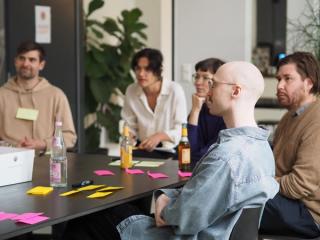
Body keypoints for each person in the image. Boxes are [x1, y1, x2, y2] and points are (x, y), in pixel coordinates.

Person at [62, 61, 279, 240]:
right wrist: (167, 197)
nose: (206, 90)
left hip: (186, 235)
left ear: (236, 91)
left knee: (87, 218)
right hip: (209, 229)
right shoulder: (262, 148)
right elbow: (203, 196)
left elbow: (184, 218)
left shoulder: (227, 158)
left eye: (213, 83)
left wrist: (164, 204)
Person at [260, 52, 320, 238]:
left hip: (308, 213)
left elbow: (299, 185)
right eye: (279, 79)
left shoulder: (316, 120)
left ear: (308, 83)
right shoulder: (289, 116)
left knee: (238, 201)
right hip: (285, 201)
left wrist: (261, 183)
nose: (279, 86)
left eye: (288, 79)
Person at [0, 40, 77, 151]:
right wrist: (11, 147)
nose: (26, 64)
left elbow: (69, 137)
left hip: (43, 159)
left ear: (41, 65)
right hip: (7, 160)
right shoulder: (2, 94)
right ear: (15, 61)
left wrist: (43, 144)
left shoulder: (56, 96)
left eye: (32, 60)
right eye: (22, 58)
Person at [121, 48, 187, 155]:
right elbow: (129, 125)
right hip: (141, 148)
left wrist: (159, 136)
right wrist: (129, 138)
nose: (141, 74)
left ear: (157, 71)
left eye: (147, 69)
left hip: (169, 150)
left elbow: (181, 128)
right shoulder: (131, 90)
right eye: (138, 68)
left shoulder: (174, 90)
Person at [188, 58, 226, 167]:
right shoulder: (199, 107)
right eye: (197, 76)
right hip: (196, 169)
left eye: (205, 78)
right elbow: (188, 151)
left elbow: (203, 156)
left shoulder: (225, 113)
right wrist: (195, 111)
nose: (197, 82)